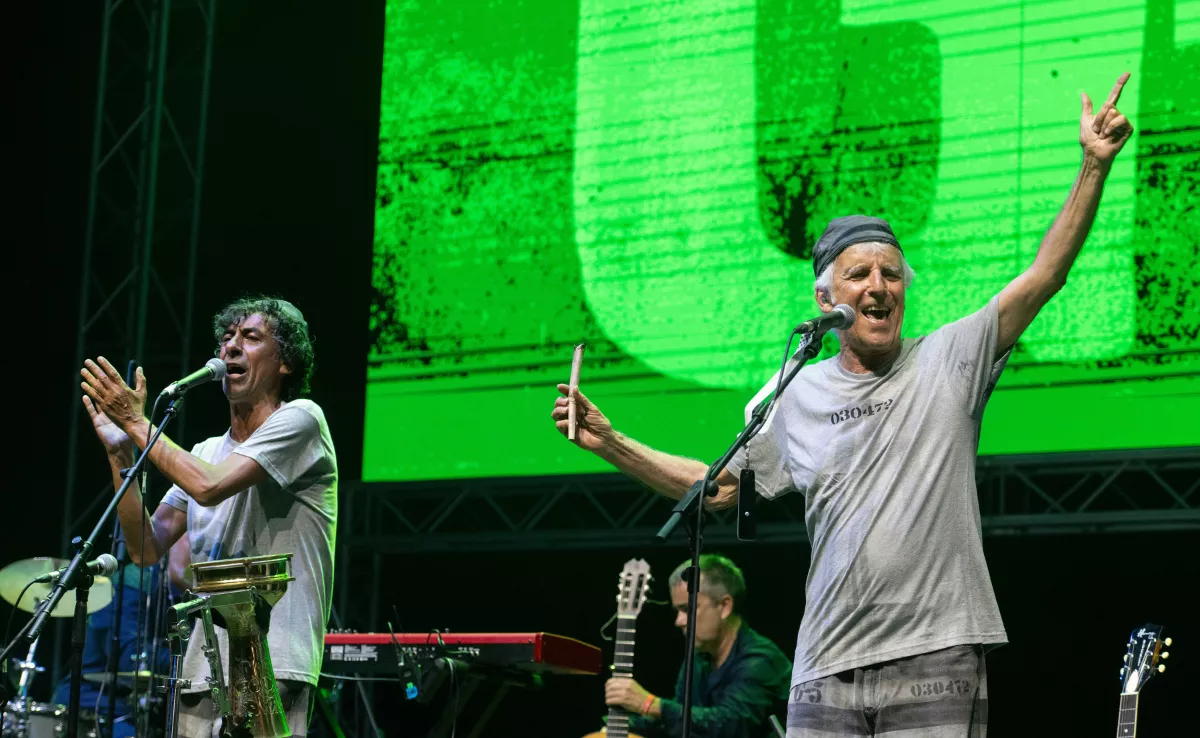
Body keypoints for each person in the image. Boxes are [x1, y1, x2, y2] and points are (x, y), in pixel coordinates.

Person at [554, 75, 1135, 737]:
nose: (879, 286)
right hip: (826, 663)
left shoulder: (949, 358)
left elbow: (1045, 275)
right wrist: (610, 442)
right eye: (860, 274)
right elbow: (717, 489)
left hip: (935, 654)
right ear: (826, 299)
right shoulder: (792, 391)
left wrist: (1093, 166)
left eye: (892, 274)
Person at [79, 296, 338, 738]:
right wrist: (120, 453)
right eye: (227, 337)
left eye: (251, 337)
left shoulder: (302, 420)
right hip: (201, 667)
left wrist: (137, 424)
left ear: (286, 363)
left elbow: (210, 485)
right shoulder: (205, 451)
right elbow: (145, 547)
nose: (231, 346)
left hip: (272, 662)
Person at [586, 554, 791, 738]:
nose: (679, 621)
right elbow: (679, 724)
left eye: (688, 609)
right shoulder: (698, 659)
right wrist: (624, 727)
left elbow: (732, 725)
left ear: (724, 606)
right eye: (677, 611)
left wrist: (650, 704)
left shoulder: (760, 660)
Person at [51, 536, 191, 738]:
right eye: (192, 537)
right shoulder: (133, 584)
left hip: (140, 708)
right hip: (97, 705)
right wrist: (194, 658)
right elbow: (131, 657)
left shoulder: (183, 592)